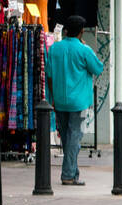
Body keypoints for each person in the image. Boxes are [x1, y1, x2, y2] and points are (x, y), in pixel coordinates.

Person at [45, 15, 104, 186]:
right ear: (81, 31)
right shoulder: (84, 50)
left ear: (66, 31)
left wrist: (54, 96)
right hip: (78, 102)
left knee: (66, 138)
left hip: (60, 101)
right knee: (74, 139)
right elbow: (98, 68)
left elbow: (49, 75)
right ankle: (68, 175)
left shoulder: (55, 48)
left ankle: (73, 172)